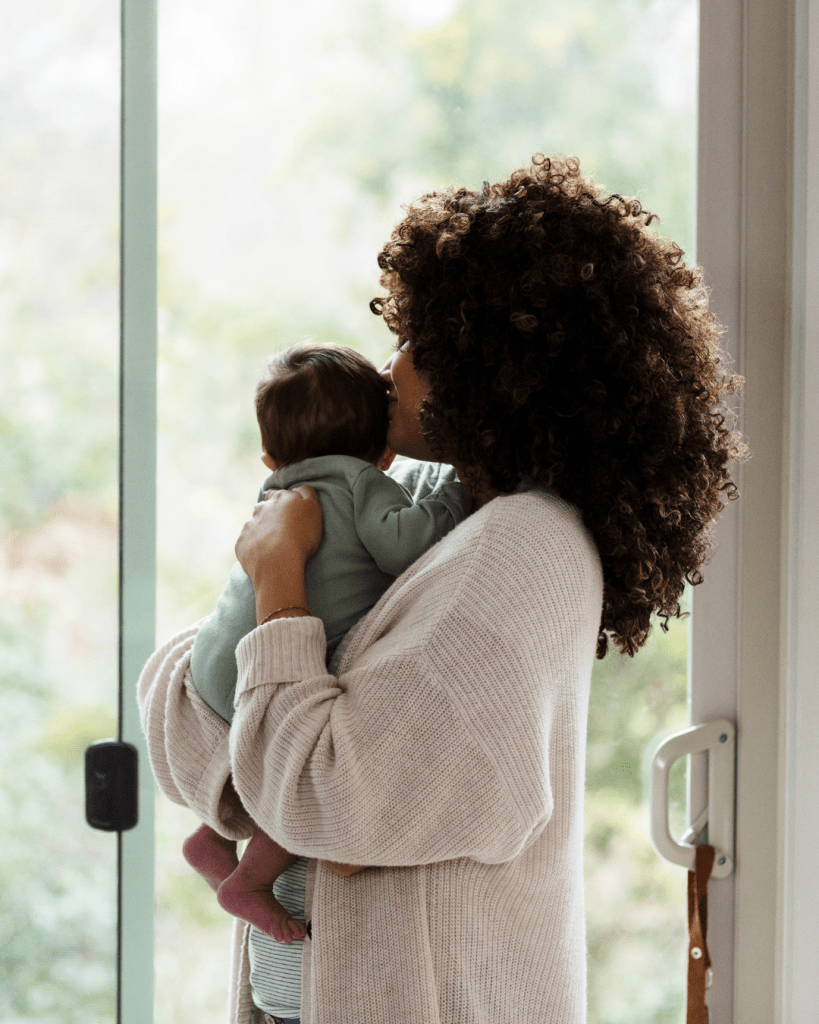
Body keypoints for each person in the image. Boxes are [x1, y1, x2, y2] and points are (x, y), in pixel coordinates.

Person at [138, 155, 748, 1024]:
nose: (391, 366)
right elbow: (181, 710)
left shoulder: (522, 553)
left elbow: (312, 790)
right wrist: (282, 775)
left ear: (502, 369)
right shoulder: (427, 513)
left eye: (422, 344)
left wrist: (277, 585)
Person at [179, 341, 468, 947]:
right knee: (298, 780)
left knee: (255, 753)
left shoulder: (276, 490)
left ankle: (212, 833)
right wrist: (457, 491)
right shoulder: (363, 480)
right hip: (273, 666)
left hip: (211, 663)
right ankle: (248, 882)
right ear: (383, 448)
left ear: (267, 454)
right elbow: (403, 545)